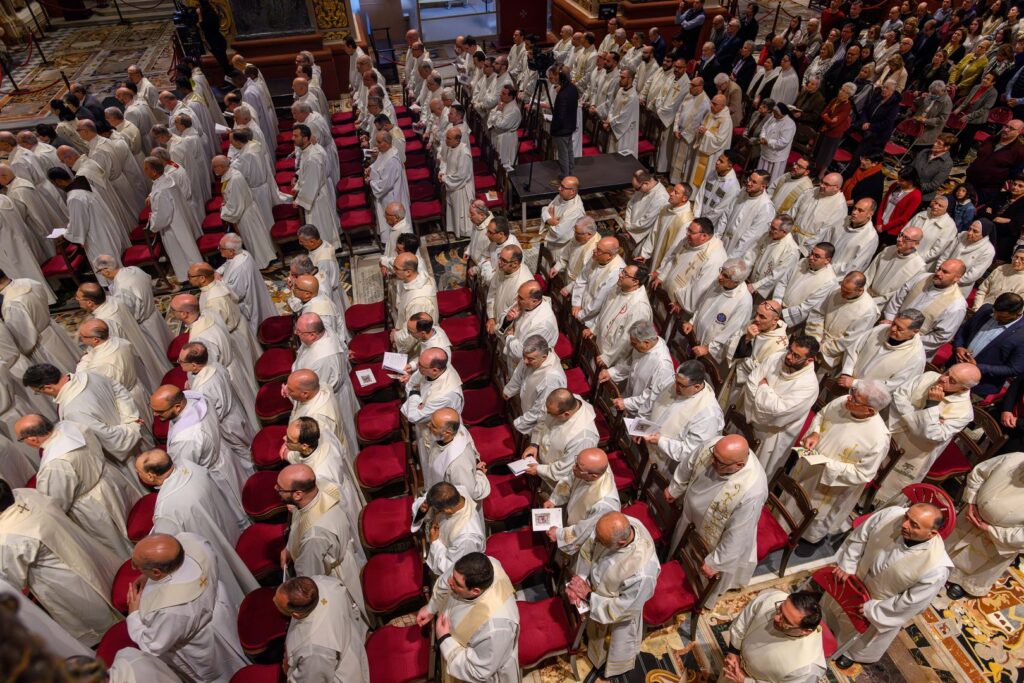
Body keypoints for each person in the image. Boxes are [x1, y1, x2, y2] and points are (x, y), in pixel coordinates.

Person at [823, 503, 952, 668]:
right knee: (828, 613)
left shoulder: (936, 567)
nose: (904, 524)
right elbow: (861, 535)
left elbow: (912, 602)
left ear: (931, 534)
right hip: (854, 576)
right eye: (907, 517)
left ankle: (849, 652)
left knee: (859, 637)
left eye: (914, 525)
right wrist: (848, 564)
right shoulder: (891, 514)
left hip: (878, 602)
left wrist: (874, 610)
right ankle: (825, 623)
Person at [0, 482, 121, 647]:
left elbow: (10, 581)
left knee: (98, 623)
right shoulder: (26, 494)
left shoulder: (8, 537)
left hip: (66, 583)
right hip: (84, 553)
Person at [134, 450, 256, 602]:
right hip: (226, 526)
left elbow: (166, 552)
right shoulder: (190, 466)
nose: (138, 475)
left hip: (212, 553)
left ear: (150, 476)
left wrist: (147, 575)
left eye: (138, 472)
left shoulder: (167, 508)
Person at [126, 534, 248, 681]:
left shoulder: (169, 608)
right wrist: (147, 575)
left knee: (227, 671)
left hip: (203, 642)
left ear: (157, 572)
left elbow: (153, 645)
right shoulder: (194, 540)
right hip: (222, 609)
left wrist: (133, 615)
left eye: (136, 566)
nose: (134, 568)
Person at [17, 413, 137, 558]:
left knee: (118, 544)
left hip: (94, 506)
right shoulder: (73, 426)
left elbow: (57, 502)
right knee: (131, 519)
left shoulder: (55, 464)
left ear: (32, 439)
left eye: (21, 439)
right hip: (110, 481)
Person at [666, 435, 768, 604]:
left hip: (716, 536)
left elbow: (739, 532)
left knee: (700, 575)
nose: (711, 460)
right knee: (680, 546)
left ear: (739, 465)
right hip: (690, 516)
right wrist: (675, 488)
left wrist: (716, 563)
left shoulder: (752, 490)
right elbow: (689, 463)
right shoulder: (716, 446)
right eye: (713, 455)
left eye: (719, 461)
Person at [792, 381, 892, 544]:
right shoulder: (843, 401)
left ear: (869, 410)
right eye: (852, 393)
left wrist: (826, 464)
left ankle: (807, 540)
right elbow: (821, 415)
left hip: (831, 485)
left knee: (813, 519)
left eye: (856, 399)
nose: (849, 398)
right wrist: (815, 433)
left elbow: (863, 474)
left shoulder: (879, 438)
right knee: (791, 502)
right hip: (808, 467)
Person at [568, 511, 659, 680]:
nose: (596, 541)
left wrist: (589, 596)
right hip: (595, 589)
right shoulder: (620, 524)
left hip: (616, 617)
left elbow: (625, 608)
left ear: (621, 542)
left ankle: (606, 665)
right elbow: (590, 546)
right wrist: (581, 578)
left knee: (611, 647)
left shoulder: (643, 573)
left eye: (601, 541)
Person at [23, 363, 150, 478]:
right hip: (135, 433)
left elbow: (106, 436)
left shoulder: (72, 411)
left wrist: (131, 427)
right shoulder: (90, 374)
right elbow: (120, 392)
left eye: (38, 392)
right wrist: (130, 420)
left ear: (48, 388)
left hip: (126, 453)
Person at [277, 464, 367, 619]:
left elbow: (309, 577)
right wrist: (289, 548)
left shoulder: (314, 536)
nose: (275, 488)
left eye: (280, 488)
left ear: (298, 495)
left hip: (331, 579)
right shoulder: (319, 490)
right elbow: (299, 521)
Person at [415, 552, 521, 682]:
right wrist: (431, 608)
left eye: (457, 584)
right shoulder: (483, 564)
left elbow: (477, 670)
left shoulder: (496, 628)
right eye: (453, 576)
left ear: (475, 591)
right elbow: (446, 579)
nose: (449, 582)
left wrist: (444, 639)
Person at [880, 365, 979, 502]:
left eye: (951, 381)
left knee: (891, 484)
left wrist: (931, 406)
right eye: (947, 372)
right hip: (892, 430)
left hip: (916, 451)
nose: (943, 378)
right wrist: (922, 418)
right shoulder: (929, 376)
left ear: (963, 389)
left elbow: (933, 435)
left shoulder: (963, 412)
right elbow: (899, 396)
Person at [945, 451, 1024, 599]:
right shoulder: (1015, 459)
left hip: (998, 536)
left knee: (979, 563)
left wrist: (990, 530)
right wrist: (971, 501)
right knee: (948, 544)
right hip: (972, 513)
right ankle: (938, 561)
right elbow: (979, 473)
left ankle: (964, 583)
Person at [150, 385, 249, 503]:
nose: (155, 414)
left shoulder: (186, 439)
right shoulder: (196, 399)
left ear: (177, 407)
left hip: (215, 475)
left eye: (159, 411)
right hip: (223, 454)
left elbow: (182, 471)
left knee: (233, 503)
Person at [743, 336, 821, 477]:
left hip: (773, 435)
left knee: (753, 475)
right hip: (749, 420)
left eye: (796, 356)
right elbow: (751, 381)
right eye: (790, 350)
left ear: (809, 360)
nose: (789, 356)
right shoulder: (777, 358)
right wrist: (769, 400)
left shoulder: (809, 386)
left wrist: (763, 387)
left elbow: (778, 412)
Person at [274, 576, 370, 683]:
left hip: (341, 672)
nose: (273, 599)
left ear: (296, 614)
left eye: (278, 605)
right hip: (346, 637)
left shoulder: (314, 651)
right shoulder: (324, 583)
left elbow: (311, 679)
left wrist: (288, 670)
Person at [75, 282, 168, 392]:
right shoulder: (112, 300)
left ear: (90, 303)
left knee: (144, 380)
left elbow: (107, 345)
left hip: (128, 356)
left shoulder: (105, 322)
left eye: (78, 298)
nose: (76, 299)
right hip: (136, 339)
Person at [178, 341, 259, 464]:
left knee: (243, 452)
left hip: (226, 424)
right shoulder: (215, 365)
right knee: (247, 441)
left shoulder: (204, 387)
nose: (179, 363)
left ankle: (255, 468)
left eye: (181, 361)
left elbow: (213, 413)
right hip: (235, 411)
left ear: (194, 365)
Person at [721, 590, 826, 683]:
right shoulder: (773, 599)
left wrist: (745, 681)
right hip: (735, 659)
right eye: (780, 609)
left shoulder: (806, 668)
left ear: (805, 631)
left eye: (786, 620)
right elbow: (744, 620)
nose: (776, 618)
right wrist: (734, 651)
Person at [640, 360, 725, 469]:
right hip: (646, 446)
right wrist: (642, 426)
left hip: (668, 464)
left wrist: (660, 441)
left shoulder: (708, 415)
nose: (675, 387)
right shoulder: (678, 383)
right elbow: (654, 405)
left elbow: (691, 452)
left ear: (697, 387)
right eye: (676, 381)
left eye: (681, 385)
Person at [882, 260, 969, 356]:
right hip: (889, 328)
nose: (938, 273)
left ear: (957, 278)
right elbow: (898, 298)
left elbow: (941, 336)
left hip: (913, 349)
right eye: (939, 269)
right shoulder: (922, 277)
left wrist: (909, 342)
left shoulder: (957, 305)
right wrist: (890, 321)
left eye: (945, 272)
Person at [75, 319, 152, 425]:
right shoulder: (119, 341)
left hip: (126, 403)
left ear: (95, 339)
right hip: (136, 391)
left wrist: (83, 361)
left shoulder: (100, 364)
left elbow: (84, 377)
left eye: (82, 336)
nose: (81, 339)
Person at [545, 448, 620, 555]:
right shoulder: (590, 466)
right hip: (573, 512)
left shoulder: (603, 506)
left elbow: (584, 531)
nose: (573, 467)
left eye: (578, 467)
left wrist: (558, 534)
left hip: (586, 540)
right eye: (576, 462)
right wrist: (554, 499)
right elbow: (570, 478)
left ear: (593, 476)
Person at [142, 156, 203, 282]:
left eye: (146, 168)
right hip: (179, 220)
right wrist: (152, 197)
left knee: (181, 252)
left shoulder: (162, 191)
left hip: (173, 227)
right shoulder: (166, 179)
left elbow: (162, 217)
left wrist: (152, 221)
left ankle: (191, 277)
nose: (144, 171)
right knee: (187, 248)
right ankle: (195, 275)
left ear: (154, 171)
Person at [523, 388, 600, 485]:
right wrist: (535, 444)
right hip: (541, 461)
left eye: (551, 414)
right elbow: (542, 421)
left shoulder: (583, 438)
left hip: (558, 481)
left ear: (566, 414)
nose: (548, 414)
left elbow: (566, 469)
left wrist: (539, 469)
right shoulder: (559, 402)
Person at [210, 156, 275, 268]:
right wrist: (226, 204)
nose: (213, 169)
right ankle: (262, 260)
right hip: (244, 211)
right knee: (254, 239)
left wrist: (224, 211)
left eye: (215, 167)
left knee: (255, 239)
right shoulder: (229, 175)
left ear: (222, 166)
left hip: (245, 214)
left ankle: (263, 263)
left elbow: (236, 206)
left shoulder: (235, 179)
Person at [806, 272, 879, 373]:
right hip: (813, 341)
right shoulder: (836, 290)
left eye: (847, 292)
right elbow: (818, 313)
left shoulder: (868, 310)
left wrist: (821, 349)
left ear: (860, 290)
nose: (842, 293)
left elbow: (850, 339)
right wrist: (814, 339)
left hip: (831, 355)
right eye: (842, 288)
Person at [685, 258, 754, 365]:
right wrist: (692, 322)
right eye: (721, 271)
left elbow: (731, 333)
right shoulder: (719, 282)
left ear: (736, 282)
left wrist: (708, 348)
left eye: (725, 276)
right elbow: (704, 302)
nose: (720, 276)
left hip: (708, 352)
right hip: (693, 335)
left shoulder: (744, 302)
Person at [655, 217, 728, 314]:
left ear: (704, 236)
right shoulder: (689, 240)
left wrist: (682, 303)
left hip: (679, 306)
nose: (687, 234)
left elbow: (700, 288)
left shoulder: (715, 258)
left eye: (691, 232)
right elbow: (674, 257)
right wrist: (662, 276)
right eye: (688, 230)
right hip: (665, 292)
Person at [601, 320, 675, 416]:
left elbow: (651, 398)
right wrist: (611, 372)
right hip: (627, 398)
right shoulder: (645, 344)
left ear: (647, 343)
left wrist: (626, 403)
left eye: (634, 343)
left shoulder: (662, 366)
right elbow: (630, 363)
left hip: (641, 413)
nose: (631, 345)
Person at [587, 263, 653, 369]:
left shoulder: (639, 308)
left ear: (635, 282)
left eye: (625, 274)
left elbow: (627, 340)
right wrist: (594, 328)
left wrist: (608, 358)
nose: (620, 275)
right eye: (622, 271)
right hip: (599, 344)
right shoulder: (620, 286)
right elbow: (605, 309)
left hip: (614, 360)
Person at [416, 482, 486, 576]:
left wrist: (435, 542)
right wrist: (423, 509)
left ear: (447, 510)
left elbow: (450, 567)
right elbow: (436, 495)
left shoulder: (466, 538)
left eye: (437, 509)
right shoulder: (457, 492)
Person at [503, 335, 567, 436]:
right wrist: (509, 390)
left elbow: (541, 410)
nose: (525, 361)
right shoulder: (530, 357)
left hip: (540, 423)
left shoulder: (551, 379)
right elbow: (520, 372)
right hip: (527, 407)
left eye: (530, 359)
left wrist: (519, 423)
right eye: (524, 356)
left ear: (544, 357)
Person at [213, 234, 278, 331]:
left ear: (231, 251)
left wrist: (220, 281)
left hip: (247, 304)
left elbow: (236, 294)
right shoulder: (242, 253)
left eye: (221, 248)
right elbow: (228, 264)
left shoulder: (239, 268)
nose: (219, 249)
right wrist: (218, 272)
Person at [291, 124, 341, 249]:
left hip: (316, 197)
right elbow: (305, 175)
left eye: (296, 136)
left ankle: (323, 250)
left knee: (320, 225)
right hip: (317, 194)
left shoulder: (312, 157)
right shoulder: (308, 151)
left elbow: (311, 183)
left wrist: (299, 200)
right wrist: (297, 187)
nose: (293, 138)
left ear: (305, 138)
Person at [498, 280, 559, 370]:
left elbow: (522, 353)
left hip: (528, 367)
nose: (516, 299)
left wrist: (509, 336)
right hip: (512, 353)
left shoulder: (542, 325)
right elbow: (503, 315)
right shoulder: (524, 302)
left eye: (520, 298)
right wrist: (508, 319)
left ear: (534, 301)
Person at [776, 243, 837, 328]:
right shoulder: (802, 261)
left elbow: (808, 306)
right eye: (812, 253)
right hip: (777, 308)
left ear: (827, 260)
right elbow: (783, 282)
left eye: (817, 256)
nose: (811, 257)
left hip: (789, 319)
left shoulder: (829, 280)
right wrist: (776, 304)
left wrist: (782, 314)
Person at [389, 252, 439, 353]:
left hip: (419, 345)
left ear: (408, 272)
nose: (393, 270)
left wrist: (396, 337)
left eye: (396, 268)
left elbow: (413, 332)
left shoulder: (419, 303)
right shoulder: (421, 277)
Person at [745, 215, 801, 299]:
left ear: (784, 232)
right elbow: (753, 253)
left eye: (773, 228)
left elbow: (778, 275)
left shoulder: (791, 251)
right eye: (770, 226)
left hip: (763, 293)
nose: (769, 230)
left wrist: (756, 286)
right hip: (750, 282)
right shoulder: (767, 236)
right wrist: (744, 273)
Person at [788, 176, 848, 254]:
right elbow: (793, 209)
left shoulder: (840, 207)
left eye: (826, 184)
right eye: (822, 181)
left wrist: (804, 249)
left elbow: (825, 232)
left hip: (808, 247)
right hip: (789, 236)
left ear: (836, 187)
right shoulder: (810, 192)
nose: (821, 185)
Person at [938, 219, 997, 296]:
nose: (969, 233)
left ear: (984, 234)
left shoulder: (988, 250)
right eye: (970, 229)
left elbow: (973, 275)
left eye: (975, 231)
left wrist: (949, 280)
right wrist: (939, 271)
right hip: (940, 277)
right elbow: (945, 255)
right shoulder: (962, 235)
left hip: (959, 286)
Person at [620, 170, 669, 252]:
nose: (636, 191)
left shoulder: (661, 198)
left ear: (646, 183)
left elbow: (646, 222)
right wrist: (627, 222)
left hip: (643, 234)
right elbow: (630, 204)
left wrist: (628, 227)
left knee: (636, 254)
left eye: (637, 188)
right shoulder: (642, 188)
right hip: (631, 227)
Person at [541, 176, 586, 263]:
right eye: (560, 185)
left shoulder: (575, 210)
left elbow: (559, 234)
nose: (559, 188)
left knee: (554, 267)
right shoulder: (560, 197)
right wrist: (550, 220)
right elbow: (546, 209)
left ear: (572, 191)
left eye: (563, 187)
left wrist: (549, 222)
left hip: (561, 249)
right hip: (551, 244)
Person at [906, 197, 957, 270]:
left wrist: (916, 260)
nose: (935, 206)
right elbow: (905, 230)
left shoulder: (949, 226)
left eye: (940, 206)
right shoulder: (921, 214)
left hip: (920, 264)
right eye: (935, 203)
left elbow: (937, 251)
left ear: (947, 209)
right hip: (903, 254)